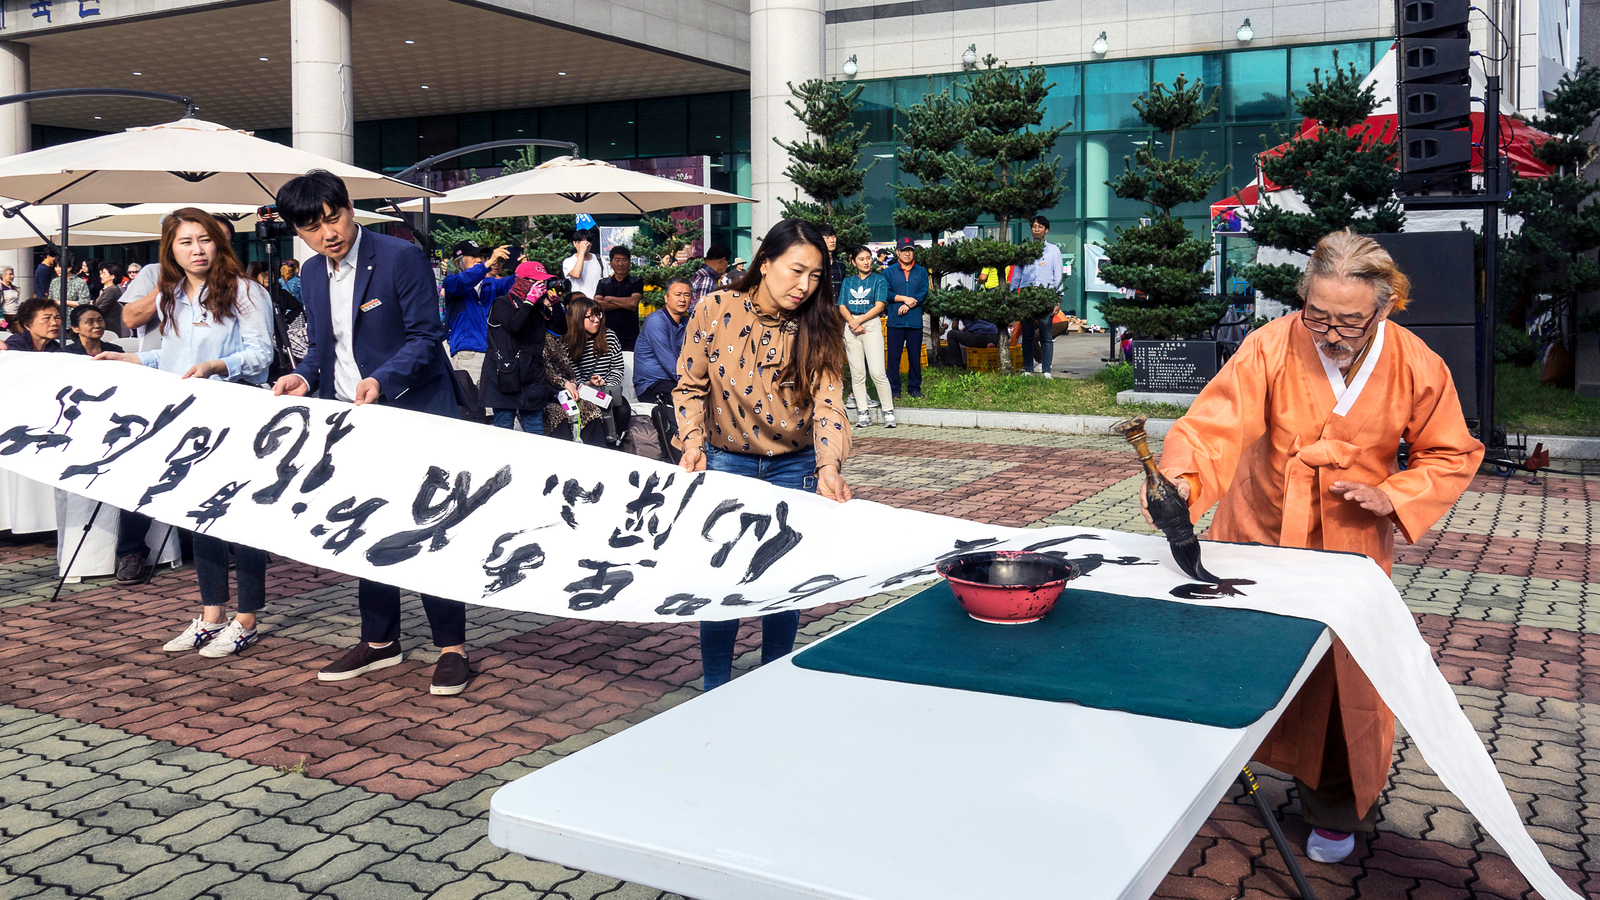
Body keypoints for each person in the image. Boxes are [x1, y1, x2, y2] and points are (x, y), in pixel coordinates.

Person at [1145, 229, 1485, 864]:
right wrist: (1183, 482)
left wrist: (1395, 495)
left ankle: (1334, 809)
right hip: (1260, 528)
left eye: (1349, 322)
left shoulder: (1415, 362)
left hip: (1349, 544)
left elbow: (1449, 452)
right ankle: (1201, 777)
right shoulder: (1269, 345)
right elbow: (1213, 427)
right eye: (1317, 315)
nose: (1330, 333)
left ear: (1385, 307)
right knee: (1237, 660)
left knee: (1342, 680)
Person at [269, 169, 473, 697]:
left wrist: (382, 379)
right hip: (351, 423)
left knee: (427, 525)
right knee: (366, 528)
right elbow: (322, 349)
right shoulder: (311, 273)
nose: (328, 233)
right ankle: (380, 640)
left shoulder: (400, 256)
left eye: (333, 218)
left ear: (348, 208)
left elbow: (427, 337)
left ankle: (452, 647)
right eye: (312, 227)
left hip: (413, 413)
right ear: (298, 231)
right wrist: (302, 377)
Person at [673, 218, 853, 690]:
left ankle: (775, 681)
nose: (804, 285)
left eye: (815, 276)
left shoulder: (821, 323)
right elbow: (689, 385)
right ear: (766, 262)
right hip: (727, 460)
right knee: (722, 577)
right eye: (796, 271)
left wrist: (828, 465)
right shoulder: (714, 309)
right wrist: (692, 441)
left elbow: (829, 404)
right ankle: (716, 686)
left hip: (795, 465)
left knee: (783, 578)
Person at [93, 208, 274, 660]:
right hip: (190, 419)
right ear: (170, 250)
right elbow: (171, 359)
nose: (197, 250)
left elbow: (261, 354)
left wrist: (218, 365)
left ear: (219, 242)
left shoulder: (246, 291)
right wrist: (130, 360)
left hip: (238, 413)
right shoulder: (170, 295)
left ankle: (246, 619)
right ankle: (211, 615)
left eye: (204, 239)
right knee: (200, 514)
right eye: (185, 242)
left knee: (241, 517)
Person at [483, 260, 561, 435]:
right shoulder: (502, 303)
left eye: (543, 281)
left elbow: (560, 329)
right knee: (504, 431)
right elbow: (514, 326)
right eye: (536, 281)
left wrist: (555, 305)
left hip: (532, 376)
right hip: (506, 374)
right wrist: (529, 301)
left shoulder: (537, 306)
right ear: (521, 280)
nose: (541, 285)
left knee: (535, 432)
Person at [442, 240, 514, 413]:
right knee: (476, 412)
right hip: (470, 353)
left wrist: (524, 268)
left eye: (481, 256)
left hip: (494, 353)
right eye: (473, 256)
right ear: (458, 262)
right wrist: (487, 265)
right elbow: (463, 281)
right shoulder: (452, 282)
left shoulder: (491, 284)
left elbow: (514, 284)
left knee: (495, 412)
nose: (480, 259)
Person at [549, 295, 628, 446]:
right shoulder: (566, 344)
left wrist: (607, 387)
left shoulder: (609, 336)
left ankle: (618, 443)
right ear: (578, 318)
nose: (596, 320)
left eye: (598, 315)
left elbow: (617, 368)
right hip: (583, 392)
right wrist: (588, 384)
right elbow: (572, 376)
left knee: (623, 409)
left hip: (608, 390)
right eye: (590, 317)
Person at [838, 245, 895, 429]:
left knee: (878, 373)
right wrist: (852, 323)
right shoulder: (848, 282)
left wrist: (859, 321)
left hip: (870, 325)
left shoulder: (879, 280)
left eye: (868, 258)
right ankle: (863, 413)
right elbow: (842, 306)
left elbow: (879, 306)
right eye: (861, 259)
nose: (866, 262)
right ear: (854, 262)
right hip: (851, 327)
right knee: (857, 374)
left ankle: (888, 412)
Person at [1011, 215, 1064, 378]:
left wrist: (1058, 298)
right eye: (1034, 226)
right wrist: (1012, 294)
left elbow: (1058, 275)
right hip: (1026, 293)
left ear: (1046, 230)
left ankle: (1046, 370)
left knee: (1046, 334)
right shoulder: (1023, 250)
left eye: (1040, 227)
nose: (1036, 229)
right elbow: (1017, 274)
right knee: (1027, 335)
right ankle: (1028, 369)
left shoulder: (1054, 250)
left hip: (1046, 294)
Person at [883, 237, 929, 399]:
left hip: (915, 321)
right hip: (895, 321)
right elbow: (886, 293)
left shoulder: (921, 271)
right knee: (893, 356)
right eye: (904, 250)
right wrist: (904, 299)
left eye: (910, 250)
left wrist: (909, 305)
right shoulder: (888, 272)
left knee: (914, 356)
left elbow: (923, 293)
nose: (907, 253)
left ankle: (914, 388)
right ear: (897, 252)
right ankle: (894, 389)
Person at [633, 278, 691, 404]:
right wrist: (693, 383)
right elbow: (670, 364)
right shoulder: (656, 321)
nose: (682, 299)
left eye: (687, 295)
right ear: (666, 298)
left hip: (674, 381)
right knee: (690, 398)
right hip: (651, 385)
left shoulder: (687, 323)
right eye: (678, 295)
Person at [593, 245, 644, 351]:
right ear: (611, 263)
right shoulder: (603, 283)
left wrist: (609, 299)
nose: (620, 264)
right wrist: (625, 304)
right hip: (607, 331)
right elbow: (597, 304)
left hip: (629, 333)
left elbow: (633, 303)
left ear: (629, 262)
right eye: (617, 260)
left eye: (624, 260)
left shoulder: (636, 281)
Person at [563, 229, 604, 300]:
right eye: (580, 242)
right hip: (579, 302)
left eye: (587, 242)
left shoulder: (600, 259)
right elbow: (576, 274)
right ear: (574, 243)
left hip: (596, 302)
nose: (584, 245)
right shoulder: (569, 261)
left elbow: (606, 279)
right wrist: (582, 252)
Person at [689, 242, 731, 312]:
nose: (727, 267)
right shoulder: (707, 278)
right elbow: (703, 310)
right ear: (722, 260)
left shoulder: (702, 274)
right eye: (728, 263)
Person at [93, 261, 126, 337]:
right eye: (101, 273)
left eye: (104, 274)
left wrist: (92, 304)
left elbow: (100, 309)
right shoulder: (109, 289)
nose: (101, 276)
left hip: (110, 328)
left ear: (112, 276)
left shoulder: (111, 290)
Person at [819, 223, 846, 300]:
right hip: (821, 305)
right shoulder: (815, 264)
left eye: (833, 237)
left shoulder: (841, 265)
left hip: (838, 306)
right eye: (827, 237)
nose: (832, 240)